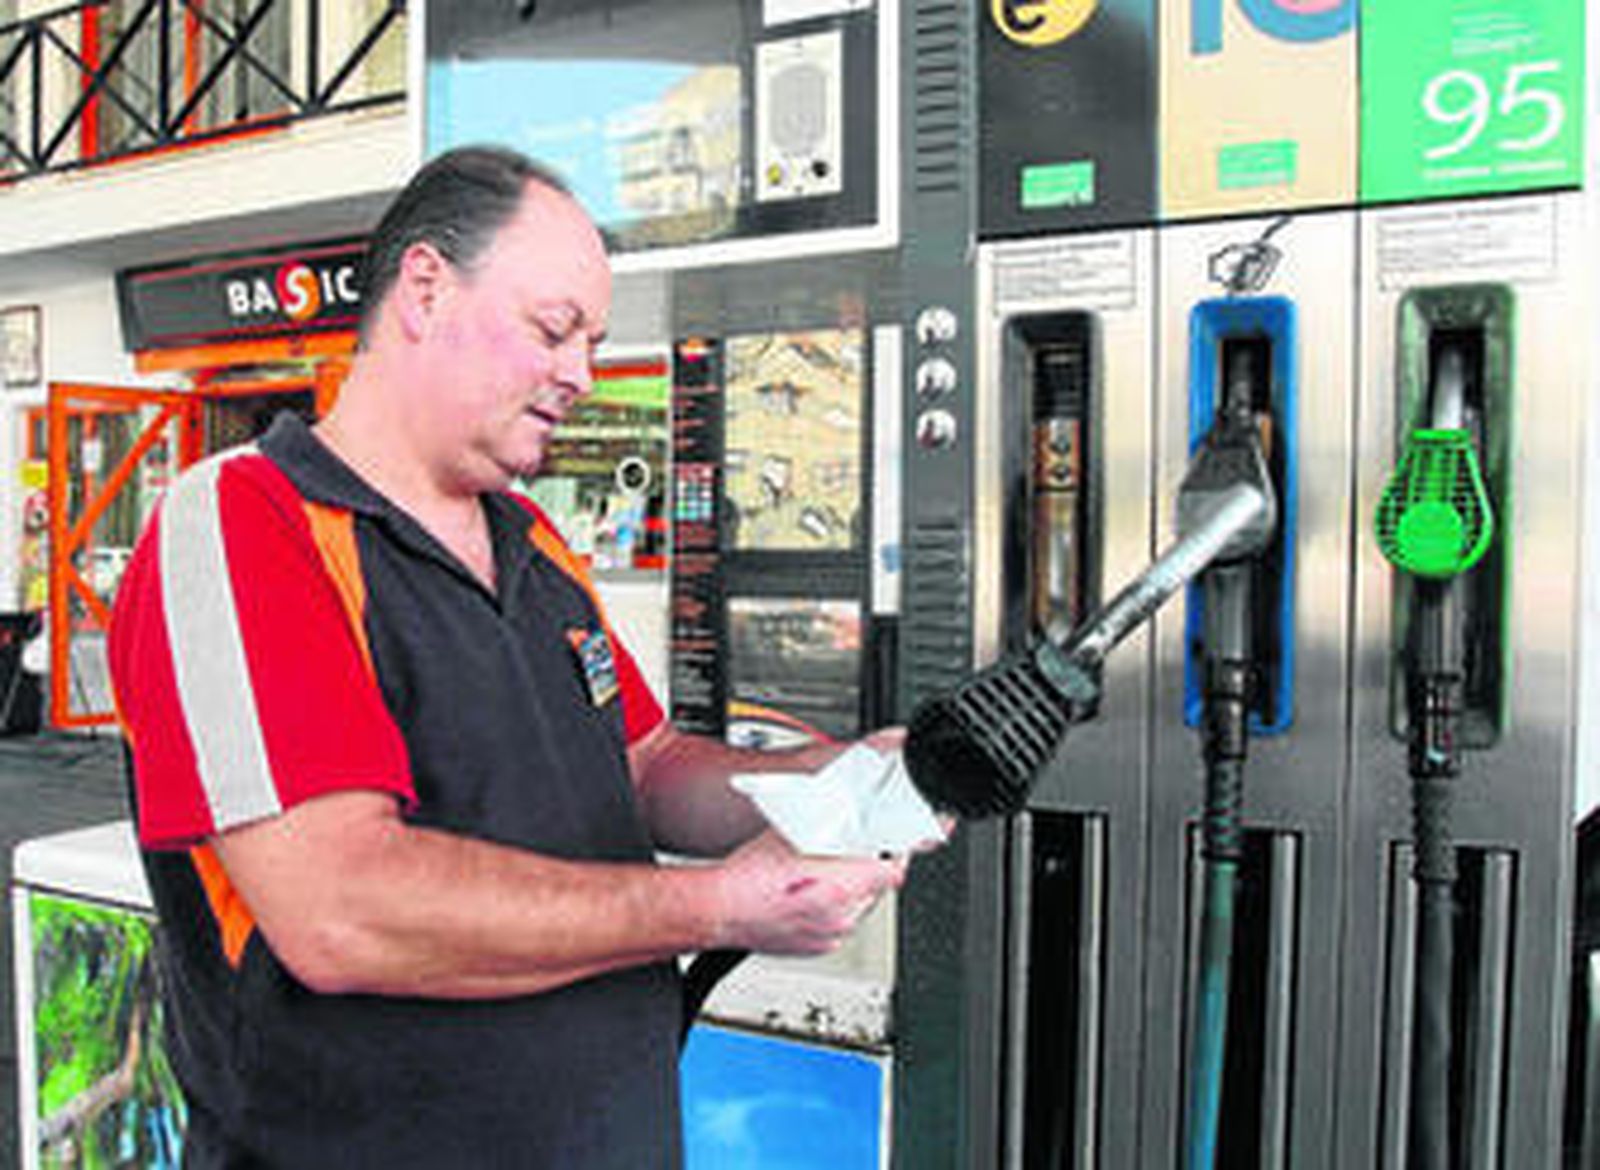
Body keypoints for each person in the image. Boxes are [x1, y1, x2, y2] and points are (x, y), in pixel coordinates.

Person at [109, 145, 918, 1168]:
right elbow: (339, 909)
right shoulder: (244, 525)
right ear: (425, 288)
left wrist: (827, 778)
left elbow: (644, 762)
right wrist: (714, 905)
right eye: (554, 329)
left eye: (593, 340)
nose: (580, 372)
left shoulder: (532, 541)